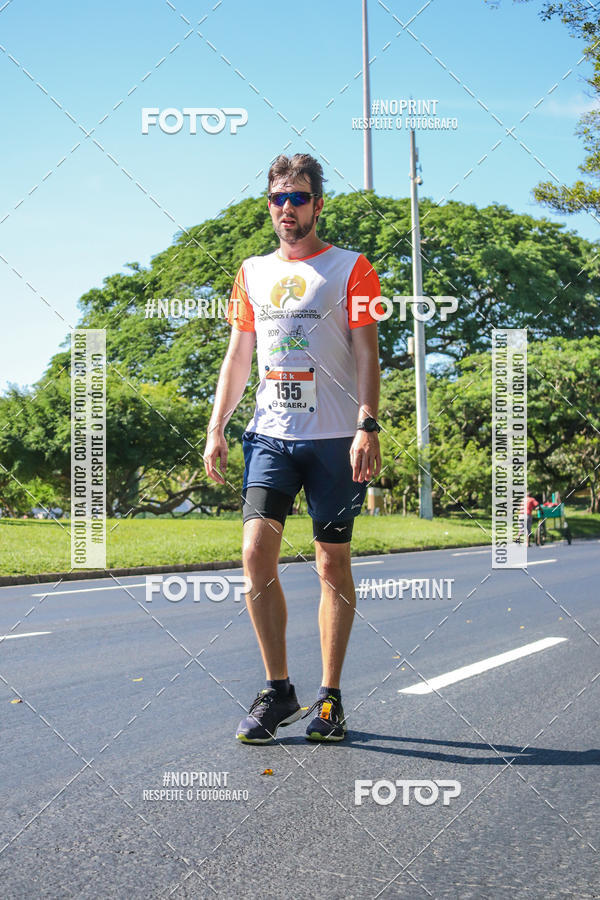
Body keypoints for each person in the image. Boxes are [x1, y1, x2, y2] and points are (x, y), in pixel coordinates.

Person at [203, 153, 382, 744]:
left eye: (298, 197)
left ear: (317, 204)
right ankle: (278, 690)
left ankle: (330, 699)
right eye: (278, 198)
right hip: (272, 436)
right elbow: (239, 355)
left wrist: (367, 424)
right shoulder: (250, 271)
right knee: (256, 554)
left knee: (332, 562)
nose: (287, 208)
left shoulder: (353, 268)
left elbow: (365, 353)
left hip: (334, 440)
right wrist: (216, 425)